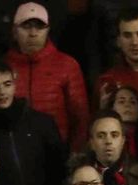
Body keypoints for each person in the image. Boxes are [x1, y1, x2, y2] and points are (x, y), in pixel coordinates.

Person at [5, 2, 88, 149]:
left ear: (48, 30)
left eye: (39, 26)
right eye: (26, 26)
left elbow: (81, 117)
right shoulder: (3, 67)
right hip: (14, 151)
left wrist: (76, 152)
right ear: (14, 31)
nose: (33, 33)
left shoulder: (67, 65)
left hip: (57, 150)